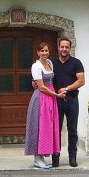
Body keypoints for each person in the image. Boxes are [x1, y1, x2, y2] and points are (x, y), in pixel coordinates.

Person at [24, 41, 62, 169]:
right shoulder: (36, 66)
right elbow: (41, 87)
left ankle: (42, 157)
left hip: (50, 98)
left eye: (46, 50)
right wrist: (57, 95)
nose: (45, 53)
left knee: (47, 127)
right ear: (38, 52)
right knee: (38, 126)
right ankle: (36, 158)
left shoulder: (50, 63)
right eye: (42, 51)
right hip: (42, 98)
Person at [52, 37, 85, 167]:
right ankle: (55, 158)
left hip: (72, 100)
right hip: (56, 101)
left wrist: (66, 89)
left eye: (66, 47)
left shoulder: (76, 63)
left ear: (70, 48)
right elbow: (43, 77)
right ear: (58, 47)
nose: (64, 49)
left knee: (72, 130)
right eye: (62, 47)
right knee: (56, 130)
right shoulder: (51, 63)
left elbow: (81, 81)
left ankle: (72, 157)